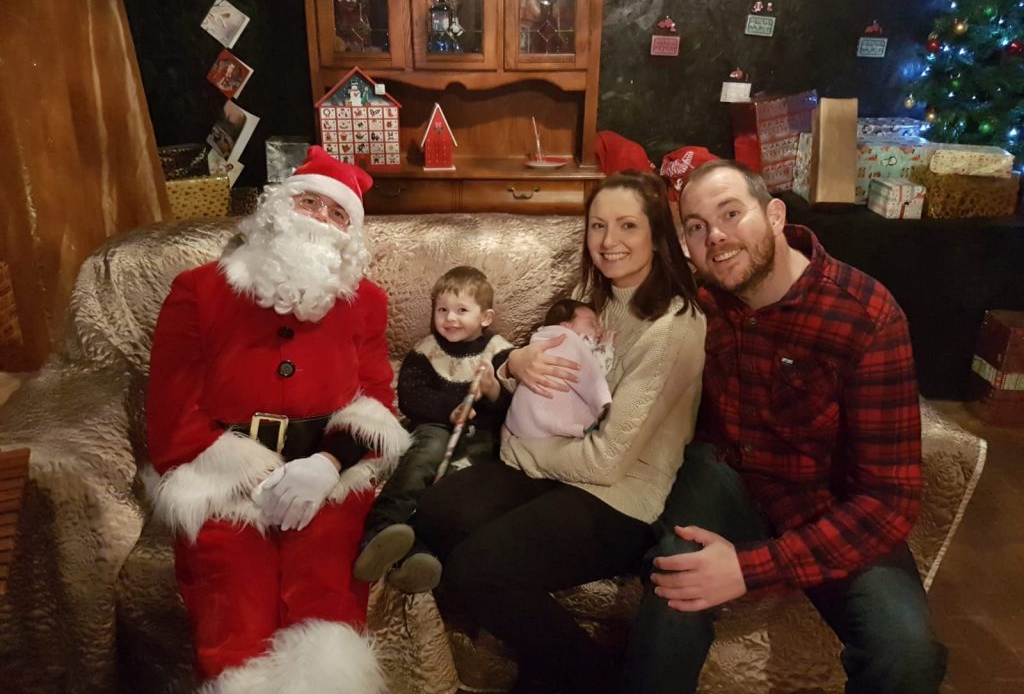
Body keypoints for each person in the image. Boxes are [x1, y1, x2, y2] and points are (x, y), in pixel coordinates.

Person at [622, 159, 947, 693]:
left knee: (908, 652)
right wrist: (514, 361)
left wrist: (751, 568)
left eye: (731, 214)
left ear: (775, 215)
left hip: (828, 505)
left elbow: (888, 500)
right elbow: (607, 323)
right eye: (697, 228)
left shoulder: (865, 316)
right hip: (722, 479)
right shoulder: (698, 301)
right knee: (676, 576)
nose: (717, 238)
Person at [414, 171, 707, 694]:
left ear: (657, 234)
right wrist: (514, 364)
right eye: (598, 226)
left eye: (626, 226)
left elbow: (608, 460)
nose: (608, 242)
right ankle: (545, 660)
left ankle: (595, 678)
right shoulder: (589, 294)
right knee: (436, 512)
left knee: (476, 569)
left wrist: (521, 450)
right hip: (553, 460)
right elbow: (531, 372)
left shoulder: (675, 328)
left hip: (619, 496)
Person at [146, 146, 410, 694]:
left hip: (328, 479)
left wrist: (328, 464)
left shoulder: (367, 303)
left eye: (338, 214)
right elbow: (171, 410)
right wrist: (247, 472)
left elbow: (376, 398)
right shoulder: (199, 290)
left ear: (352, 236)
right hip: (222, 480)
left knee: (327, 610)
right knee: (234, 613)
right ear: (277, 208)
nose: (321, 220)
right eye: (310, 202)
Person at [353, 266, 514, 593]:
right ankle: (380, 530)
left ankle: (419, 555)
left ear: (486, 317)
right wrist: (448, 410)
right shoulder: (425, 351)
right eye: (442, 310)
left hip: (481, 437)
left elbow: (513, 406)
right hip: (434, 427)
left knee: (461, 490)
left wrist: (494, 391)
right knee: (422, 460)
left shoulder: (500, 352)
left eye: (461, 310)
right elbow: (411, 397)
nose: (450, 319)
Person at [504, 298, 614, 441]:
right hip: (542, 411)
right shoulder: (568, 339)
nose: (599, 331)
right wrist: (607, 345)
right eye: (592, 323)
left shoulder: (540, 338)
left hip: (521, 417)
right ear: (565, 326)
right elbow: (593, 372)